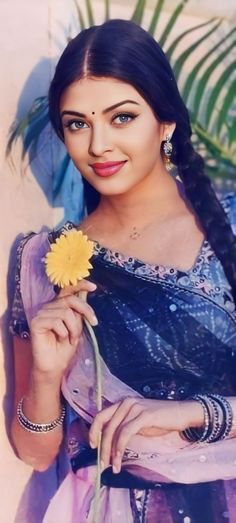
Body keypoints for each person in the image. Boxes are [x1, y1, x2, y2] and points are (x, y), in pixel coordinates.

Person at [10, 18, 236, 523]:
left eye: (122, 117)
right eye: (77, 123)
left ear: (166, 122)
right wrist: (46, 376)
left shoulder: (230, 225)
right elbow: (35, 454)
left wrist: (196, 413)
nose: (98, 146)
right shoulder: (41, 262)